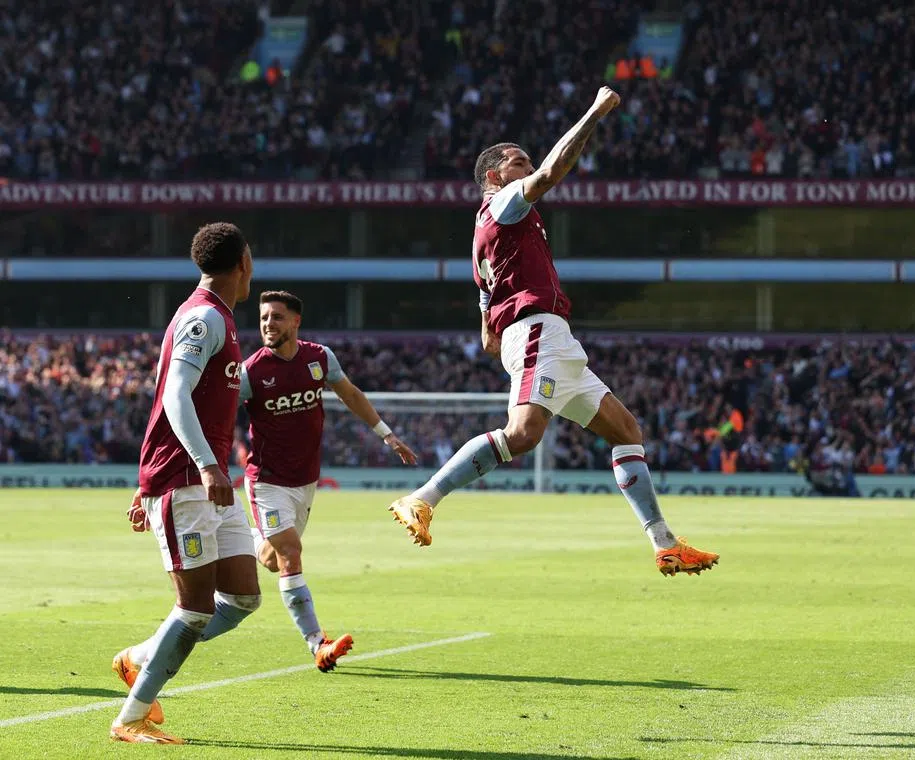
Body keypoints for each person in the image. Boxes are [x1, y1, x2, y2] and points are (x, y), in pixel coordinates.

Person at [388, 86, 719, 577]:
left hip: (550, 339)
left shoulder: (490, 241)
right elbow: (550, 172)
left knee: (626, 430)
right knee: (522, 436)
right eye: (518, 161)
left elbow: (486, 335)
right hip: (539, 332)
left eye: (525, 162)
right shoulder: (502, 205)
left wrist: (506, 318)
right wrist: (593, 113)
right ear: (495, 176)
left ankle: (664, 542)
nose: (528, 166)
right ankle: (422, 498)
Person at [111, 223, 259, 744]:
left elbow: (167, 400)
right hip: (190, 480)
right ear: (244, 263)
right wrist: (205, 465)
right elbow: (173, 395)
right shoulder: (203, 318)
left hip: (201, 479)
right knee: (195, 606)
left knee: (242, 597)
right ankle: (131, 717)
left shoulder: (219, 318)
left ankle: (140, 657)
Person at [240, 290, 418, 670]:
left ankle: (248, 534)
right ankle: (317, 643)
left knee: (274, 560)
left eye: (276, 317)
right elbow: (219, 417)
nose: (268, 324)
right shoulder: (251, 372)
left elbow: (350, 394)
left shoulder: (319, 359)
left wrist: (387, 435)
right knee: (290, 553)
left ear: (295, 322)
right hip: (266, 481)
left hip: (304, 481)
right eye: (264, 318)